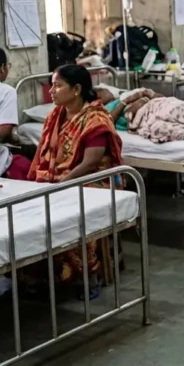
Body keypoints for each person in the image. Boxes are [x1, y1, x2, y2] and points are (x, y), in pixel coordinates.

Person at [28, 64, 124, 293]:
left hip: (92, 180)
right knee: (30, 211)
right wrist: (37, 180)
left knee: (67, 215)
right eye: (51, 85)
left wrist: (62, 184)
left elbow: (91, 162)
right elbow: (43, 153)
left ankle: (88, 275)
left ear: (77, 89)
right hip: (58, 179)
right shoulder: (55, 115)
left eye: (58, 86)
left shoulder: (95, 119)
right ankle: (36, 277)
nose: (51, 91)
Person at [96, 88, 184, 142]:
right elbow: (108, 120)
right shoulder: (103, 109)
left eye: (104, 90)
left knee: (180, 107)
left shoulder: (125, 92)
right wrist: (126, 102)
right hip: (145, 119)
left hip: (157, 106)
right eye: (100, 93)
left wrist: (147, 96)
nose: (105, 92)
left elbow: (161, 97)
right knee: (163, 128)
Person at [0, 47, 31, 179]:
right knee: (24, 164)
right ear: (2, 68)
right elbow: (3, 132)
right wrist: (15, 140)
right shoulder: (5, 91)